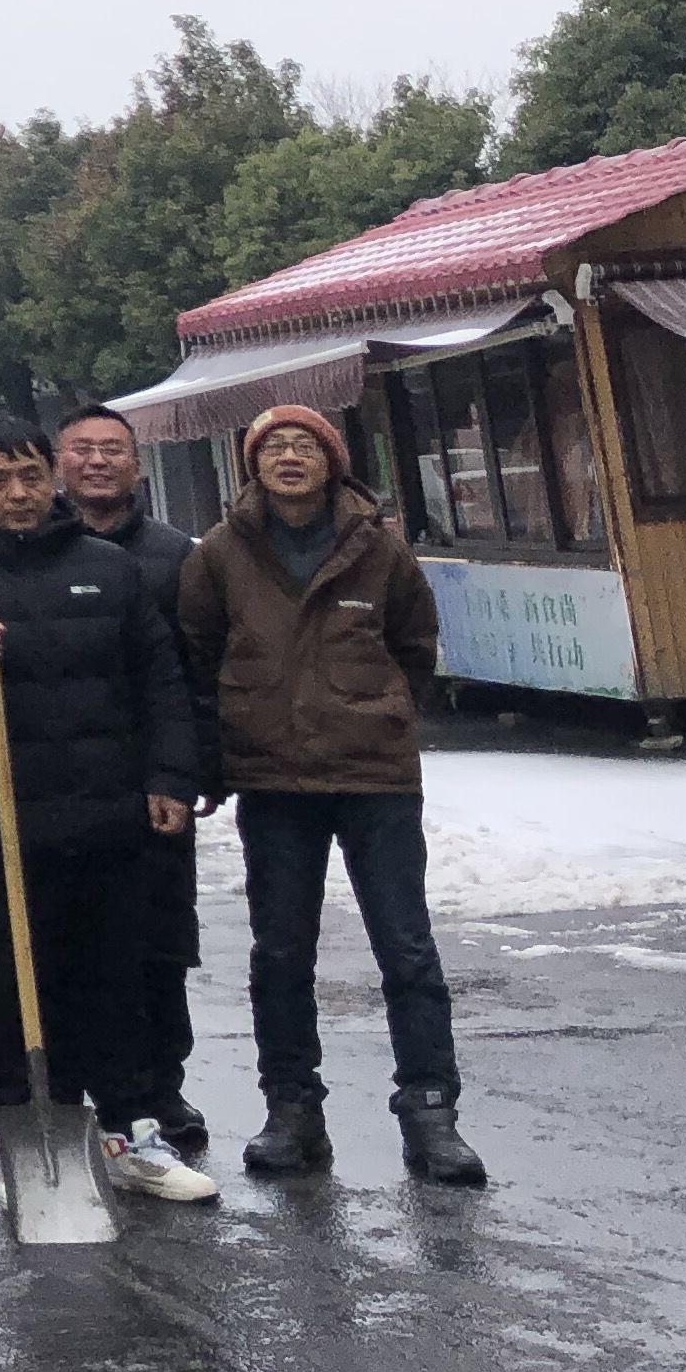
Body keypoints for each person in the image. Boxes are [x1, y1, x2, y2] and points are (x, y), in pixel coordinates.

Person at [0, 418, 212, 1203]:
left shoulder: (108, 568)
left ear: (52, 479)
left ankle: (132, 1134)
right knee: (16, 989)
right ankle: (28, 1135)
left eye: (30, 476)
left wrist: (170, 778)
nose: (18, 493)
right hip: (10, 824)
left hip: (111, 818)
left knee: (119, 983)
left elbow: (162, 682)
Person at [175, 401, 484, 1189]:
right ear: (252, 463)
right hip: (273, 778)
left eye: (303, 445)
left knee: (406, 946)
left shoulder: (379, 548)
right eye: (272, 445)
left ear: (332, 462)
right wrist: (217, 754)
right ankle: (292, 1108)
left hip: (374, 776)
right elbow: (198, 655)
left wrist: (380, 711)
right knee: (281, 951)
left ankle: (431, 1109)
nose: (288, 456)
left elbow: (414, 646)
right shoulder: (221, 553)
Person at [56, 400, 211, 1153]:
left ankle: (161, 1085)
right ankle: (72, 1084)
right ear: (59, 462)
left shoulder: (176, 556)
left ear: (137, 464)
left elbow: (196, 674)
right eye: (81, 449)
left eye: (111, 449)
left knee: (159, 939)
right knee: (68, 937)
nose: (96, 462)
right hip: (58, 781)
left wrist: (188, 771)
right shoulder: (28, 553)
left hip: (151, 779)